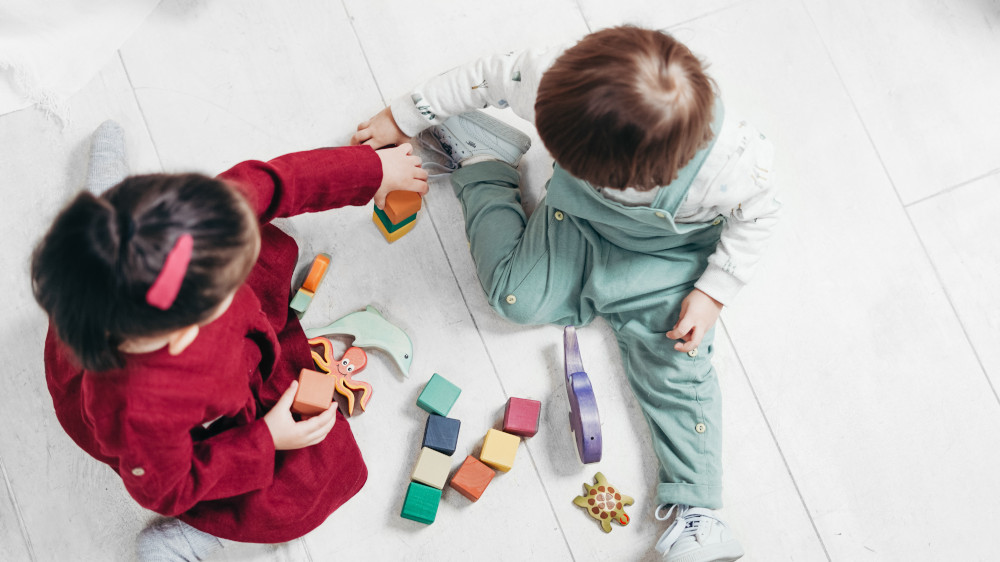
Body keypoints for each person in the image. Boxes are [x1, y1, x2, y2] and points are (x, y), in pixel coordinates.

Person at [351, 26, 779, 562]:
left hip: (667, 260)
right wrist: (405, 116)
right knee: (513, 299)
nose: (555, 155)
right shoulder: (556, 74)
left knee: (677, 358)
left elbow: (758, 217)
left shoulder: (731, 163)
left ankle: (698, 511)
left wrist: (715, 292)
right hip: (575, 221)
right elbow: (484, 76)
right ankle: (485, 161)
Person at [32, 121, 428, 560]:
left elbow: (276, 180)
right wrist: (266, 440)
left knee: (257, 240)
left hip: (136, 291)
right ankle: (191, 540)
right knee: (303, 490)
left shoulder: (196, 227)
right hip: (217, 419)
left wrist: (373, 170)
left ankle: (105, 201)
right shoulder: (138, 413)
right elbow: (167, 488)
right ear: (182, 335)